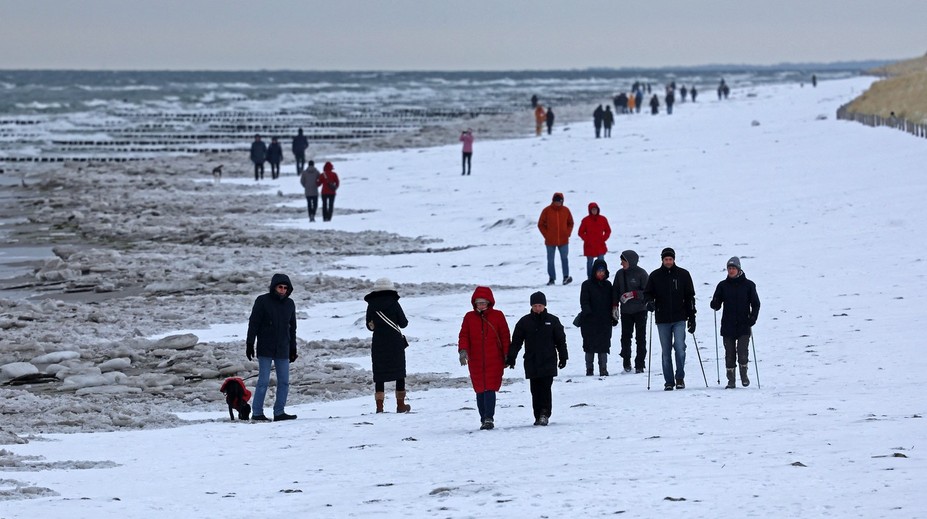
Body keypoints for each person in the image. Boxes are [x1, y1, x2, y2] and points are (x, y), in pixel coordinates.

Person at [506, 291, 568, 426]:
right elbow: (516, 341)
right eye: (535, 306)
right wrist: (511, 357)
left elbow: (560, 340)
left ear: (544, 305)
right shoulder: (524, 322)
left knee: (546, 388)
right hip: (531, 360)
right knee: (535, 390)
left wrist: (563, 356)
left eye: (540, 305)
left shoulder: (552, 320)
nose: (537, 308)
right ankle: (537, 415)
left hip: (548, 360)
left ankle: (545, 414)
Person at [246, 273, 298, 421]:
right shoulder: (262, 301)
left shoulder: (290, 304)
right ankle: (257, 413)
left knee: (284, 382)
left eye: (285, 288)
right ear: (274, 287)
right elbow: (253, 323)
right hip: (265, 348)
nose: (282, 290)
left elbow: (292, 328)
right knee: (263, 381)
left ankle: (279, 412)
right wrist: (250, 343)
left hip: (283, 348)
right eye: (280, 287)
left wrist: (293, 348)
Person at [458, 286, 511, 430]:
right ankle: (483, 418)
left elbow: (505, 336)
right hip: (475, 360)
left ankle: (489, 418)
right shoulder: (469, 317)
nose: (481, 305)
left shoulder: (498, 316)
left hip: (494, 359)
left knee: (490, 388)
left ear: (489, 302)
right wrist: (463, 350)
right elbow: (464, 335)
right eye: (478, 303)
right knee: (480, 389)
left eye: (483, 302)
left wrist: (507, 354)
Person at [643, 247, 696, 390]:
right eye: (666, 259)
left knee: (680, 348)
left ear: (674, 259)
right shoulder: (654, 276)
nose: (668, 261)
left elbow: (690, 297)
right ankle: (669, 381)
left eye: (670, 259)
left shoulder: (683, 275)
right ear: (662, 260)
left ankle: (679, 378)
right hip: (662, 319)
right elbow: (647, 294)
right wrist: (649, 303)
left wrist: (692, 317)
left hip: (680, 318)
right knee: (666, 352)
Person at [709, 257, 761, 389]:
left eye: (733, 268)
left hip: (744, 324)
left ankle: (744, 376)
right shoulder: (722, 285)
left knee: (742, 352)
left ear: (739, 269)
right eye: (729, 268)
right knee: (730, 353)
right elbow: (717, 303)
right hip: (728, 325)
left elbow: (756, 304)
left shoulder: (749, 285)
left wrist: (753, 317)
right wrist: (714, 303)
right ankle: (731, 380)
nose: (731, 270)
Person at [365, 278, 411, 412]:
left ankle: (379, 407)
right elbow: (403, 323)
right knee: (399, 373)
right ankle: (400, 405)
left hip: (379, 342)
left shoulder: (371, 305)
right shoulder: (394, 303)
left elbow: (369, 326)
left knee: (379, 374)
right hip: (395, 342)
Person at [612, 250, 649, 373]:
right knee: (626, 337)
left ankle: (640, 364)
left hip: (640, 310)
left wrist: (633, 294)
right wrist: (614, 306)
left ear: (630, 261)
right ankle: (626, 363)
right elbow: (615, 291)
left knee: (640, 338)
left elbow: (647, 293)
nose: (621, 263)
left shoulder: (642, 273)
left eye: (623, 261)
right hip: (626, 311)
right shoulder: (619, 274)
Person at [579, 259, 614, 376]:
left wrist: (613, 316)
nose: (601, 273)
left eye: (603, 271)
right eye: (599, 271)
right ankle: (589, 369)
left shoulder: (608, 285)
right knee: (589, 346)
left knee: (604, 346)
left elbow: (612, 301)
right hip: (589, 321)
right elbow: (584, 301)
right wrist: (588, 313)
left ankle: (603, 368)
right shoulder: (587, 285)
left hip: (605, 321)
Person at [538, 192, 574, 285]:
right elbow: (540, 224)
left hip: (563, 240)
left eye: (559, 201)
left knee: (564, 259)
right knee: (550, 260)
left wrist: (568, 233)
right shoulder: (546, 210)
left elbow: (571, 223)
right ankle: (552, 278)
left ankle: (565, 277)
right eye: (556, 201)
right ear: (553, 201)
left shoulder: (566, 210)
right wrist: (547, 235)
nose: (557, 203)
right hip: (550, 241)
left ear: (562, 201)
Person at [577, 202, 611, 279]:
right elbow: (580, 232)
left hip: (600, 245)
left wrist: (603, 238)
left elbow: (608, 230)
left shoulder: (603, 219)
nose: (594, 211)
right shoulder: (585, 220)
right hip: (589, 246)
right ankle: (590, 277)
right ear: (590, 210)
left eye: (595, 209)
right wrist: (587, 239)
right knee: (590, 262)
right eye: (592, 210)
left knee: (601, 262)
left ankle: (602, 276)